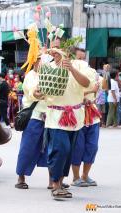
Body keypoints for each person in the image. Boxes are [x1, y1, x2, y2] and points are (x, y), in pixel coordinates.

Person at [45, 48, 90, 199]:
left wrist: (71, 68)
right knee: (61, 149)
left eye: (58, 52)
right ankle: (55, 184)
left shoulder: (78, 66)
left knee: (68, 152)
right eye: (53, 53)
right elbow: (41, 90)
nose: (55, 55)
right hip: (56, 117)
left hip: (74, 118)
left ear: (67, 54)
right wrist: (38, 93)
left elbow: (87, 83)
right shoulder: (48, 67)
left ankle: (60, 183)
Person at [15, 56, 50, 189]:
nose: (43, 62)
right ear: (34, 61)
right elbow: (32, 92)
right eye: (40, 59)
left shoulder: (51, 73)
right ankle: (21, 177)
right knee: (27, 148)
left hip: (51, 117)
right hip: (35, 116)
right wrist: (37, 92)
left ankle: (53, 180)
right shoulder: (30, 75)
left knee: (51, 149)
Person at [71, 63, 104, 188]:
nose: (81, 60)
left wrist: (105, 74)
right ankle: (75, 177)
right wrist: (91, 90)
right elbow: (74, 94)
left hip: (93, 115)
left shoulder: (94, 74)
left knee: (92, 147)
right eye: (78, 58)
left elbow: (105, 86)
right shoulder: (73, 74)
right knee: (78, 148)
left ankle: (85, 175)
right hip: (78, 114)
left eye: (82, 58)